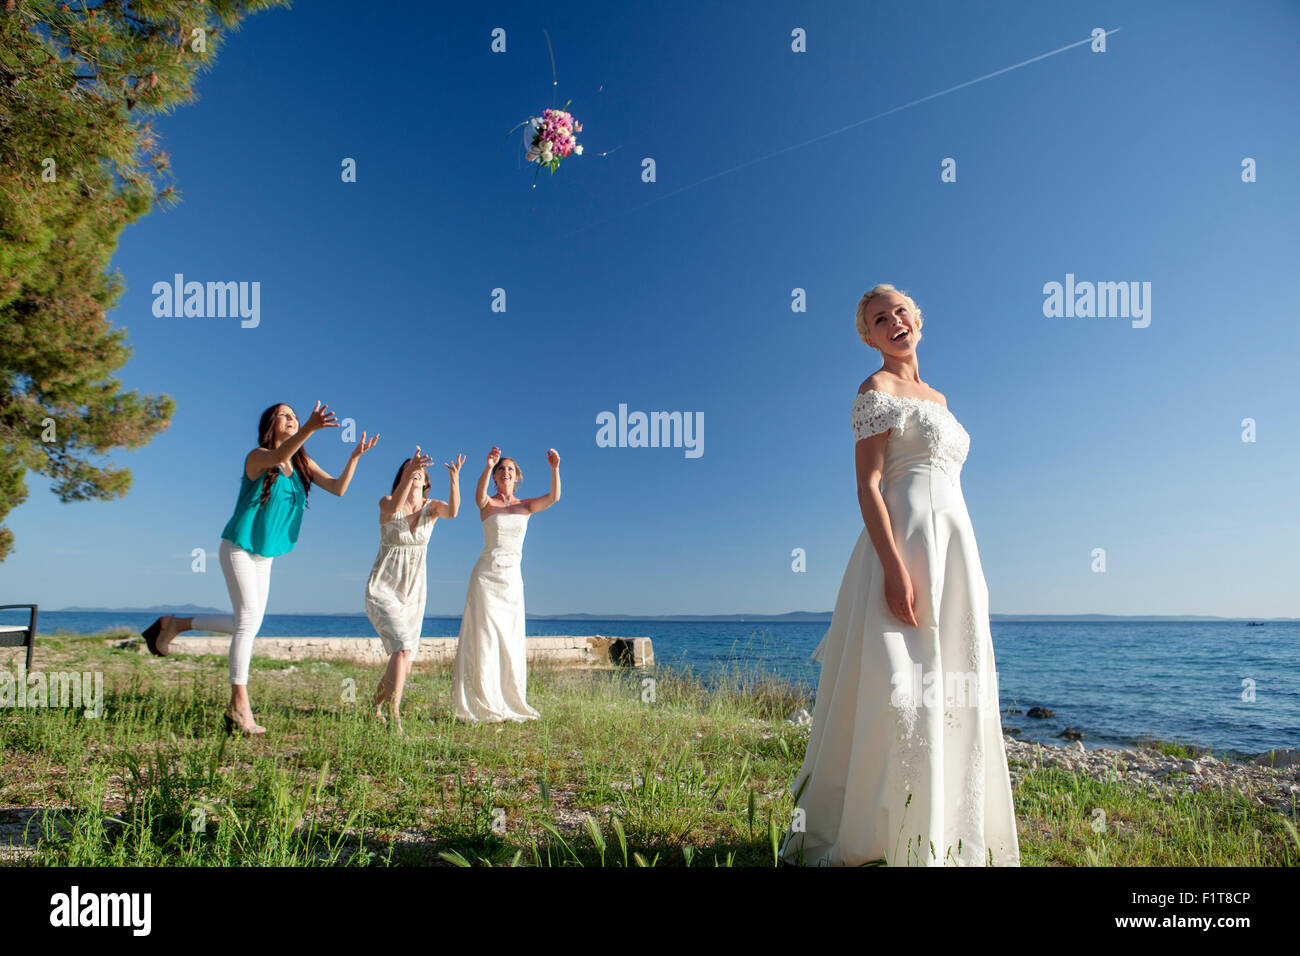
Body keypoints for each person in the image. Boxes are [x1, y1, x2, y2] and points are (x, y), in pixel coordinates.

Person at [780, 285, 1020, 866]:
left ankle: (941, 832)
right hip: (901, 547)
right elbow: (867, 487)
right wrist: (893, 569)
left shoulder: (940, 396)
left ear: (919, 319)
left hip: (956, 550)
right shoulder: (875, 390)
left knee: (954, 683)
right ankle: (875, 830)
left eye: (900, 311)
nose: (894, 321)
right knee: (897, 688)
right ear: (869, 336)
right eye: (879, 318)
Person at [142, 401, 378, 735]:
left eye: (296, 416)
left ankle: (175, 623)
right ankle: (239, 706)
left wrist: (354, 457)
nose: (293, 419)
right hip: (238, 546)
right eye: (286, 415)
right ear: (271, 424)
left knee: (247, 624)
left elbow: (338, 489)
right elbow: (278, 457)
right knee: (248, 623)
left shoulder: (301, 462)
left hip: (264, 554)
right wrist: (310, 427)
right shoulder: (257, 456)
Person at [450, 446, 560, 723]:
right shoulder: (488, 503)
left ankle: (510, 699)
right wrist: (487, 465)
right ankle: (486, 703)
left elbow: (554, 497)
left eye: (510, 469)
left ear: (517, 476)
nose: (506, 472)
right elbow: (477, 496)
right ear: (496, 476)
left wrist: (554, 468)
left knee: (509, 640)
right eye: (502, 469)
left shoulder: (526, 506)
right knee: (485, 637)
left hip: (511, 580)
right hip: (486, 576)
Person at [365, 446, 465, 732]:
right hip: (383, 587)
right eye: (410, 471)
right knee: (401, 647)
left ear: (426, 482)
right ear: (402, 478)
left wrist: (455, 478)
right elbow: (396, 507)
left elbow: (454, 513)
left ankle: (375, 705)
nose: (416, 474)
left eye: (420, 472)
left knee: (405, 660)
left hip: (413, 591)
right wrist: (409, 471)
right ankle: (394, 714)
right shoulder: (388, 503)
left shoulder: (431, 508)